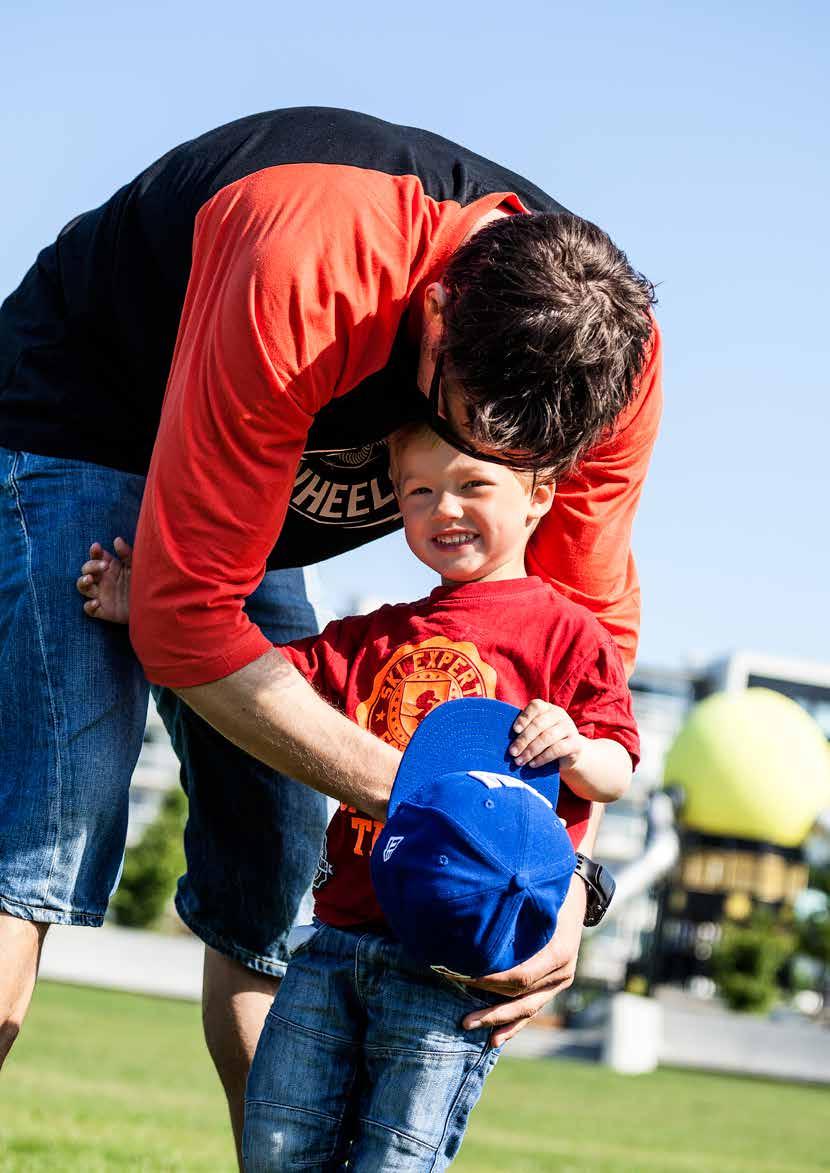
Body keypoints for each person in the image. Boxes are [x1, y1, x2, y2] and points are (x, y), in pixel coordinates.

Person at [0, 106, 660, 1156]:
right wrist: (445, 818)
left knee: (275, 872)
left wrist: (548, 880)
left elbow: (568, 654)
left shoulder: (603, 361)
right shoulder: (311, 258)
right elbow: (181, 623)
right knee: (46, 834)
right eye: (464, 430)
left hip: (239, 525)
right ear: (435, 316)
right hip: (88, 416)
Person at [79, 420, 639, 1170]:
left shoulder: (570, 637)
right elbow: (255, 675)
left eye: (473, 485)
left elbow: (617, 769)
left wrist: (572, 746)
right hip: (335, 943)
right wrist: (142, 610)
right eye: (419, 492)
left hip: (451, 971)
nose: (444, 508)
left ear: (539, 496)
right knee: (276, 1141)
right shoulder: (373, 635)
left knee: (396, 1159)